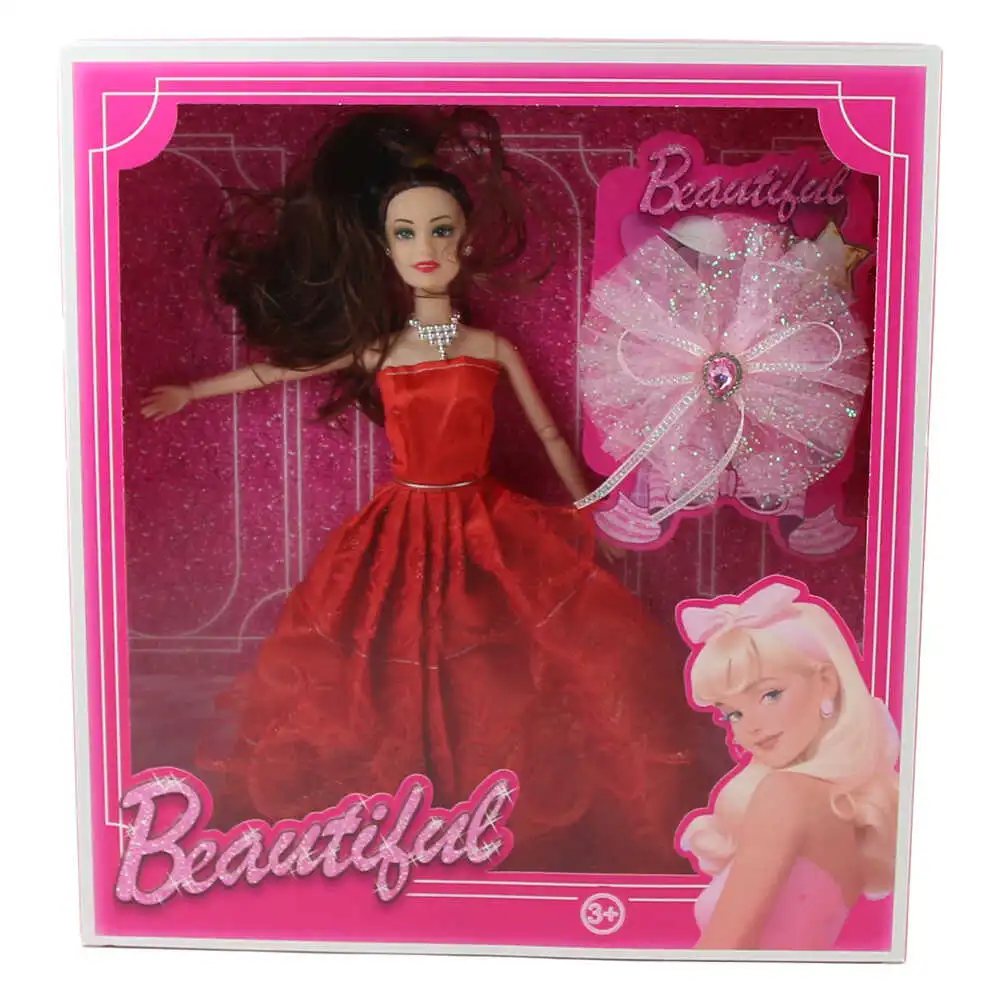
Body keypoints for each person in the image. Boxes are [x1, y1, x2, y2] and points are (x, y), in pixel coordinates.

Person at [142, 108, 711, 873]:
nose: (426, 248)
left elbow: (550, 435)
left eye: (441, 230)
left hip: (486, 520)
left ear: (465, 239)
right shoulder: (381, 348)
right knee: (382, 654)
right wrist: (191, 391)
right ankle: (406, 811)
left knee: (506, 662)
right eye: (406, 233)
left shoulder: (490, 347)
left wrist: (589, 510)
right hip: (402, 524)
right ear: (384, 247)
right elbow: (280, 370)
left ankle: (484, 806)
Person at [676, 578, 899, 947]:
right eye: (733, 714)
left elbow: (721, 952)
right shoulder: (849, 808)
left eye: (770, 695)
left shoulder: (785, 795)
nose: (751, 726)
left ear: (826, 681)